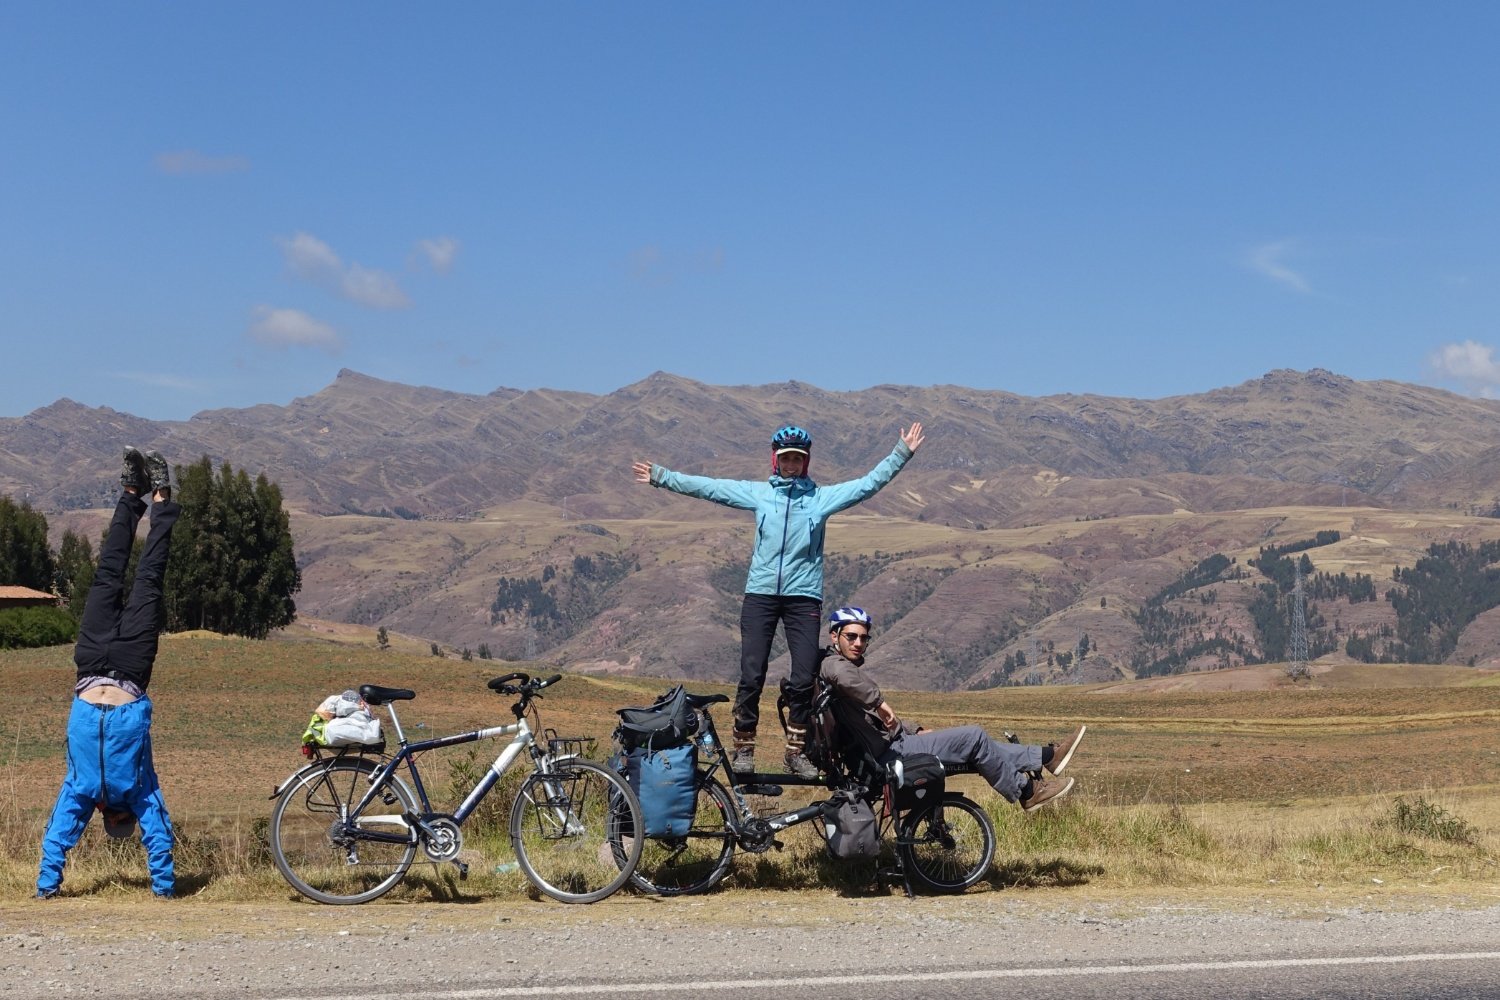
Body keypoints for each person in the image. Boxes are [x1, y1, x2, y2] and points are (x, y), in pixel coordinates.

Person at [634, 422, 924, 777]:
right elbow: (711, 488)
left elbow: (868, 484)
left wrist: (901, 452)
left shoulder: (820, 499)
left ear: (806, 462)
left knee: (803, 678)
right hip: (760, 595)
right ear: (776, 459)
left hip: (804, 598)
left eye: (798, 459)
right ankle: (744, 748)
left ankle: (796, 752)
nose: (791, 464)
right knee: (752, 674)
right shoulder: (760, 495)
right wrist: (661, 476)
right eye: (786, 458)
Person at [37, 447, 179, 899]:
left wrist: (164, 886)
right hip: (102, 669)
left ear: (119, 818)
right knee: (113, 576)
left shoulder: (93, 791)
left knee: (140, 579)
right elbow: (60, 833)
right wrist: (45, 883)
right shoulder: (126, 789)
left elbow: (158, 832)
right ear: (111, 817)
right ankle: (143, 493)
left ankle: (144, 493)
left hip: (112, 669)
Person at [818, 607, 1083, 811]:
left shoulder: (843, 670)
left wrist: (915, 728)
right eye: (851, 636)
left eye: (863, 638)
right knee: (974, 737)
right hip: (889, 755)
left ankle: (1047, 756)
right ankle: (1027, 791)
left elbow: (876, 720)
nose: (858, 643)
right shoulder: (833, 665)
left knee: (983, 747)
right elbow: (850, 681)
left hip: (897, 743)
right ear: (834, 636)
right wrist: (879, 702)